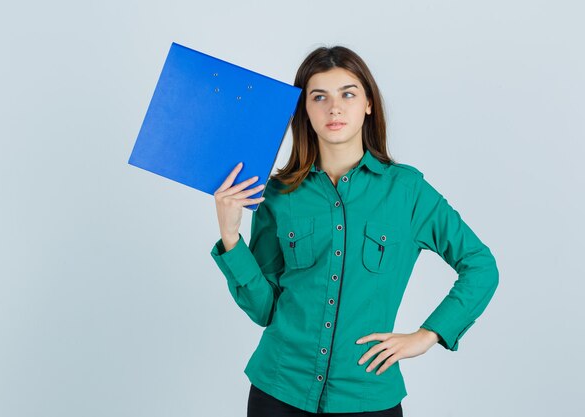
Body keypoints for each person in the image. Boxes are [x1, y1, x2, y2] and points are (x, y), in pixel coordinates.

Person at [210, 45, 499, 417]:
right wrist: (231, 237)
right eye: (319, 97)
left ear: (368, 105)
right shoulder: (278, 194)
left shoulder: (407, 192)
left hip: (368, 396)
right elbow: (265, 310)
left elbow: (480, 264)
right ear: (303, 110)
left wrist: (429, 335)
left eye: (348, 93)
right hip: (278, 390)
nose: (334, 108)